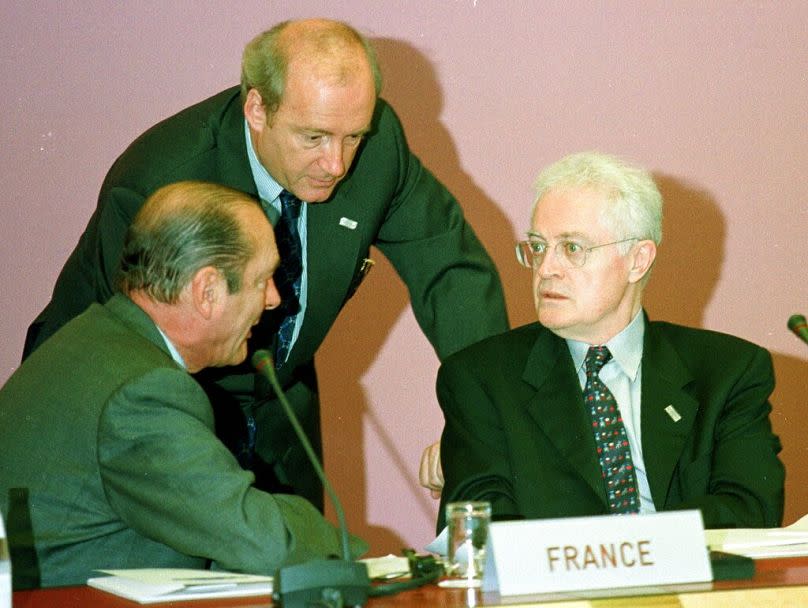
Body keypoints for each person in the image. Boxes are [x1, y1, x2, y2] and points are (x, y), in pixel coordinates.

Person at [21, 19, 508, 509]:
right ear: (257, 108)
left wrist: (480, 419)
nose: (336, 163)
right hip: (150, 410)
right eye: (313, 137)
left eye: (352, 136)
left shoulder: (378, 152)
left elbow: (453, 274)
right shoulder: (163, 178)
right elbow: (121, 351)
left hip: (281, 416)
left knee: (310, 569)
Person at [0, 181, 365, 589]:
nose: (274, 299)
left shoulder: (88, 341)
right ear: (207, 291)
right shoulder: (142, 393)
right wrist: (345, 546)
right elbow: (263, 545)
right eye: (262, 279)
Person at [436, 151, 784, 530]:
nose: (547, 269)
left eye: (572, 248)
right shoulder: (480, 379)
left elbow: (749, 512)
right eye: (538, 247)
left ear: (638, 260)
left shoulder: (727, 372)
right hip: (557, 590)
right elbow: (483, 532)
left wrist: (637, 551)